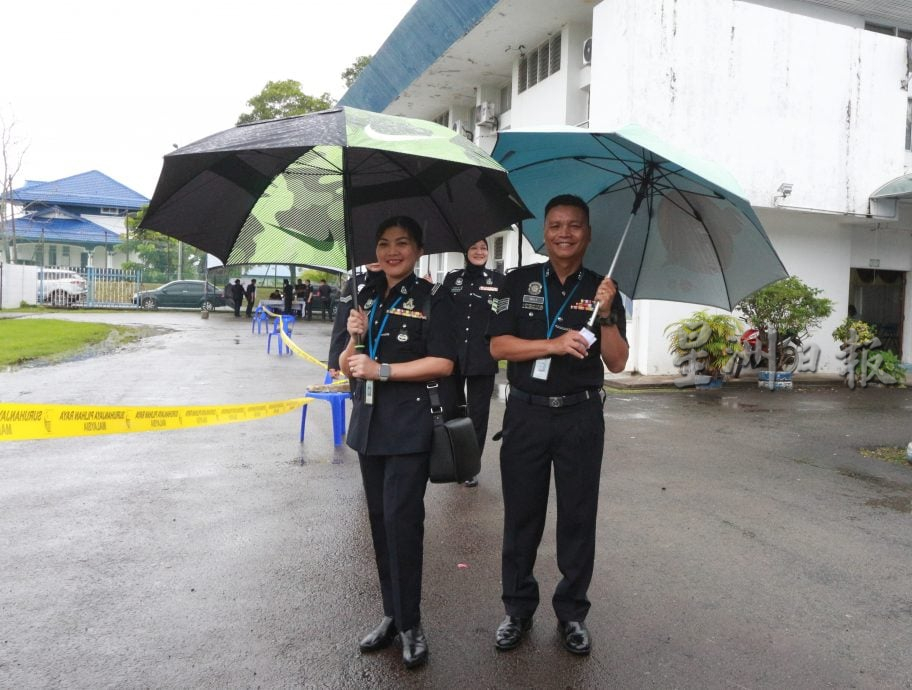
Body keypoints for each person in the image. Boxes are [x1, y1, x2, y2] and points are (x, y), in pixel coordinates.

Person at [487, 194, 629, 657]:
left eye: (574, 226)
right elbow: (499, 348)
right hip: (527, 412)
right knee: (521, 516)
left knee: (577, 517)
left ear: (588, 234)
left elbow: (619, 360)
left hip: (581, 416)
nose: (564, 233)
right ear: (543, 233)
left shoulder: (604, 288)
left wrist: (605, 314)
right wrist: (552, 344)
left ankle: (572, 614)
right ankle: (518, 609)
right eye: (555, 225)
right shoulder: (519, 281)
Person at [340, 216, 457, 670]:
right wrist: (354, 338)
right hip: (369, 427)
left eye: (402, 243)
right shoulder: (363, 296)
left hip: (409, 429)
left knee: (402, 524)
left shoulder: (434, 299)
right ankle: (391, 614)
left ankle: (411, 624)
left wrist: (382, 371)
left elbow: (443, 363)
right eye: (384, 243)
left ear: (419, 249)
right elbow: (342, 365)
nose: (392, 251)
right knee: (378, 524)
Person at [442, 238, 504, 487]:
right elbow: (442, 313)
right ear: (465, 252)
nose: (479, 252)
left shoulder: (499, 281)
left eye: (483, 248)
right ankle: (452, 459)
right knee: (452, 409)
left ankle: (470, 466)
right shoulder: (452, 279)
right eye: (474, 247)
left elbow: (503, 316)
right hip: (453, 356)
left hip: (483, 356)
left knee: (478, 414)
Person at [327, 263, 383, 378]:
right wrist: (334, 361)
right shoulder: (354, 284)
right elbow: (340, 324)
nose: (374, 260)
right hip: (357, 351)